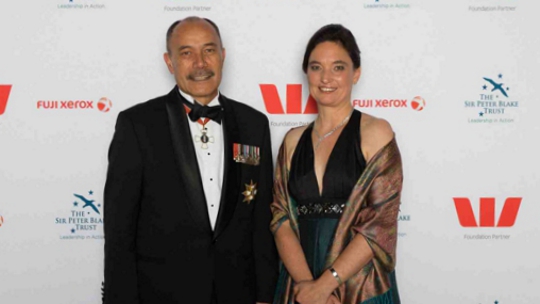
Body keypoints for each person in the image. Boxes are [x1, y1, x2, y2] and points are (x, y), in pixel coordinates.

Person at [103, 16, 278, 304]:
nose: (200, 63)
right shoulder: (137, 125)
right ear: (169, 63)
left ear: (222, 56)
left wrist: (263, 296)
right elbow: (120, 230)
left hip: (237, 293)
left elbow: (261, 221)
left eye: (209, 50)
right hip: (161, 295)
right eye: (186, 53)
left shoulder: (253, 123)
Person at [270, 24, 403, 304]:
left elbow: (380, 224)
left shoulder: (376, 132)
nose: (326, 77)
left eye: (338, 67)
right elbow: (280, 217)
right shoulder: (293, 141)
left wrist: (326, 287)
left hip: (360, 284)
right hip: (299, 283)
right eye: (316, 67)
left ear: (356, 73)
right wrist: (308, 287)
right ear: (306, 72)